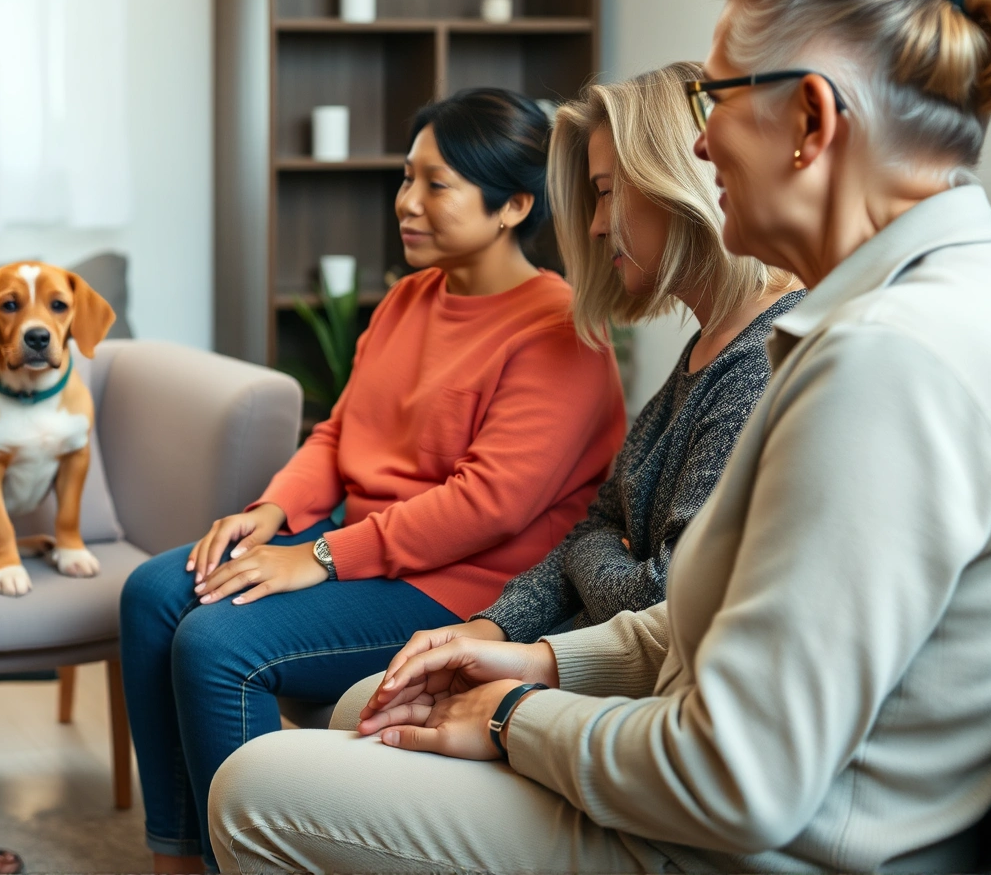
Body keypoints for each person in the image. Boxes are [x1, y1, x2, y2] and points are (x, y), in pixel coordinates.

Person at [210, 0, 991, 874]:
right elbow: (701, 616)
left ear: (810, 121)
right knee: (367, 715)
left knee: (256, 788)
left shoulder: (885, 362)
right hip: (742, 799)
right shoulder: (921, 308)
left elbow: (738, 777)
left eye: (715, 97)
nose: (702, 143)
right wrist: (541, 661)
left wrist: (511, 716)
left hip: (760, 850)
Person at [118, 87, 626, 872]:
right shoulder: (410, 298)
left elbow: (488, 506)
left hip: (466, 586)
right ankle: (181, 856)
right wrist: (275, 511)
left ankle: (250, 858)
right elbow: (339, 430)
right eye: (404, 178)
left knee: (221, 643)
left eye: (435, 184)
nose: (406, 204)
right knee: (155, 592)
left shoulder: (561, 331)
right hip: (371, 549)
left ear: (514, 205)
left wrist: (317, 557)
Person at [386, 62, 802, 659]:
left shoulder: (759, 363)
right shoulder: (707, 348)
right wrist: (491, 627)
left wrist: (596, 555)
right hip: (577, 647)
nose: (597, 226)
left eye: (606, 194)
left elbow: (665, 590)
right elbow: (600, 524)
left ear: (677, 182)